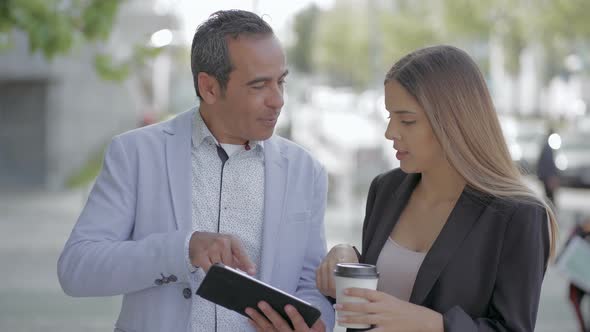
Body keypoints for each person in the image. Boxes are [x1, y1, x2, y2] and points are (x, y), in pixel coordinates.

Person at [58, 10, 333, 332]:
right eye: (259, 85)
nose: (278, 100)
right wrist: (182, 249)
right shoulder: (135, 154)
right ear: (210, 88)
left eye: (281, 81)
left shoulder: (305, 170)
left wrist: (316, 322)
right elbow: (78, 269)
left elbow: (312, 284)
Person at [316, 45, 558, 331]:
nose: (390, 132)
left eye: (407, 120)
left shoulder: (519, 215)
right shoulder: (385, 189)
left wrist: (433, 324)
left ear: (453, 121)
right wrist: (346, 257)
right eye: (389, 116)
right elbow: (372, 303)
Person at [536, 128, 560, 206]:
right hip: (548, 177)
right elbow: (549, 164)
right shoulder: (548, 147)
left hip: (546, 176)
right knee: (550, 197)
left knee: (548, 196)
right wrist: (552, 177)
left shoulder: (546, 146)